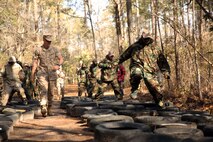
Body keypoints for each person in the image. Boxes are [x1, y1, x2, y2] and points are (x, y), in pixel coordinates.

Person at [118, 35, 170, 107]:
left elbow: (162, 61)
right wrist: (115, 63)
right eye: (145, 38)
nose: (146, 40)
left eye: (148, 38)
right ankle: (135, 89)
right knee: (137, 73)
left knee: (155, 89)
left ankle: (159, 101)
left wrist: (166, 71)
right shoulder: (135, 46)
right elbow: (124, 56)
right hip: (137, 66)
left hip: (150, 71)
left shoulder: (155, 48)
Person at [31, 34, 63, 117]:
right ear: (44, 40)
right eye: (47, 41)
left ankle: (50, 108)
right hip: (42, 72)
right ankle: (43, 106)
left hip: (52, 73)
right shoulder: (38, 50)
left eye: (50, 41)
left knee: (51, 92)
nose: (49, 43)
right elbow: (35, 62)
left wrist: (58, 65)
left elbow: (61, 59)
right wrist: (32, 74)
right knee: (43, 89)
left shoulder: (55, 49)